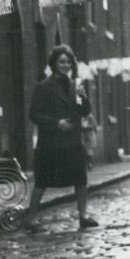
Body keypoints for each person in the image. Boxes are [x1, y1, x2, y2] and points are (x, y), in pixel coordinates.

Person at [25, 44, 98, 232]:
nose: (65, 65)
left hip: (73, 141)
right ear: (54, 64)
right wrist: (56, 123)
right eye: (61, 62)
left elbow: (84, 111)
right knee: (42, 182)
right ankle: (31, 219)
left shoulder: (75, 86)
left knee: (80, 179)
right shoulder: (43, 87)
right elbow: (34, 114)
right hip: (51, 143)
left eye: (68, 62)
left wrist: (83, 97)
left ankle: (83, 216)